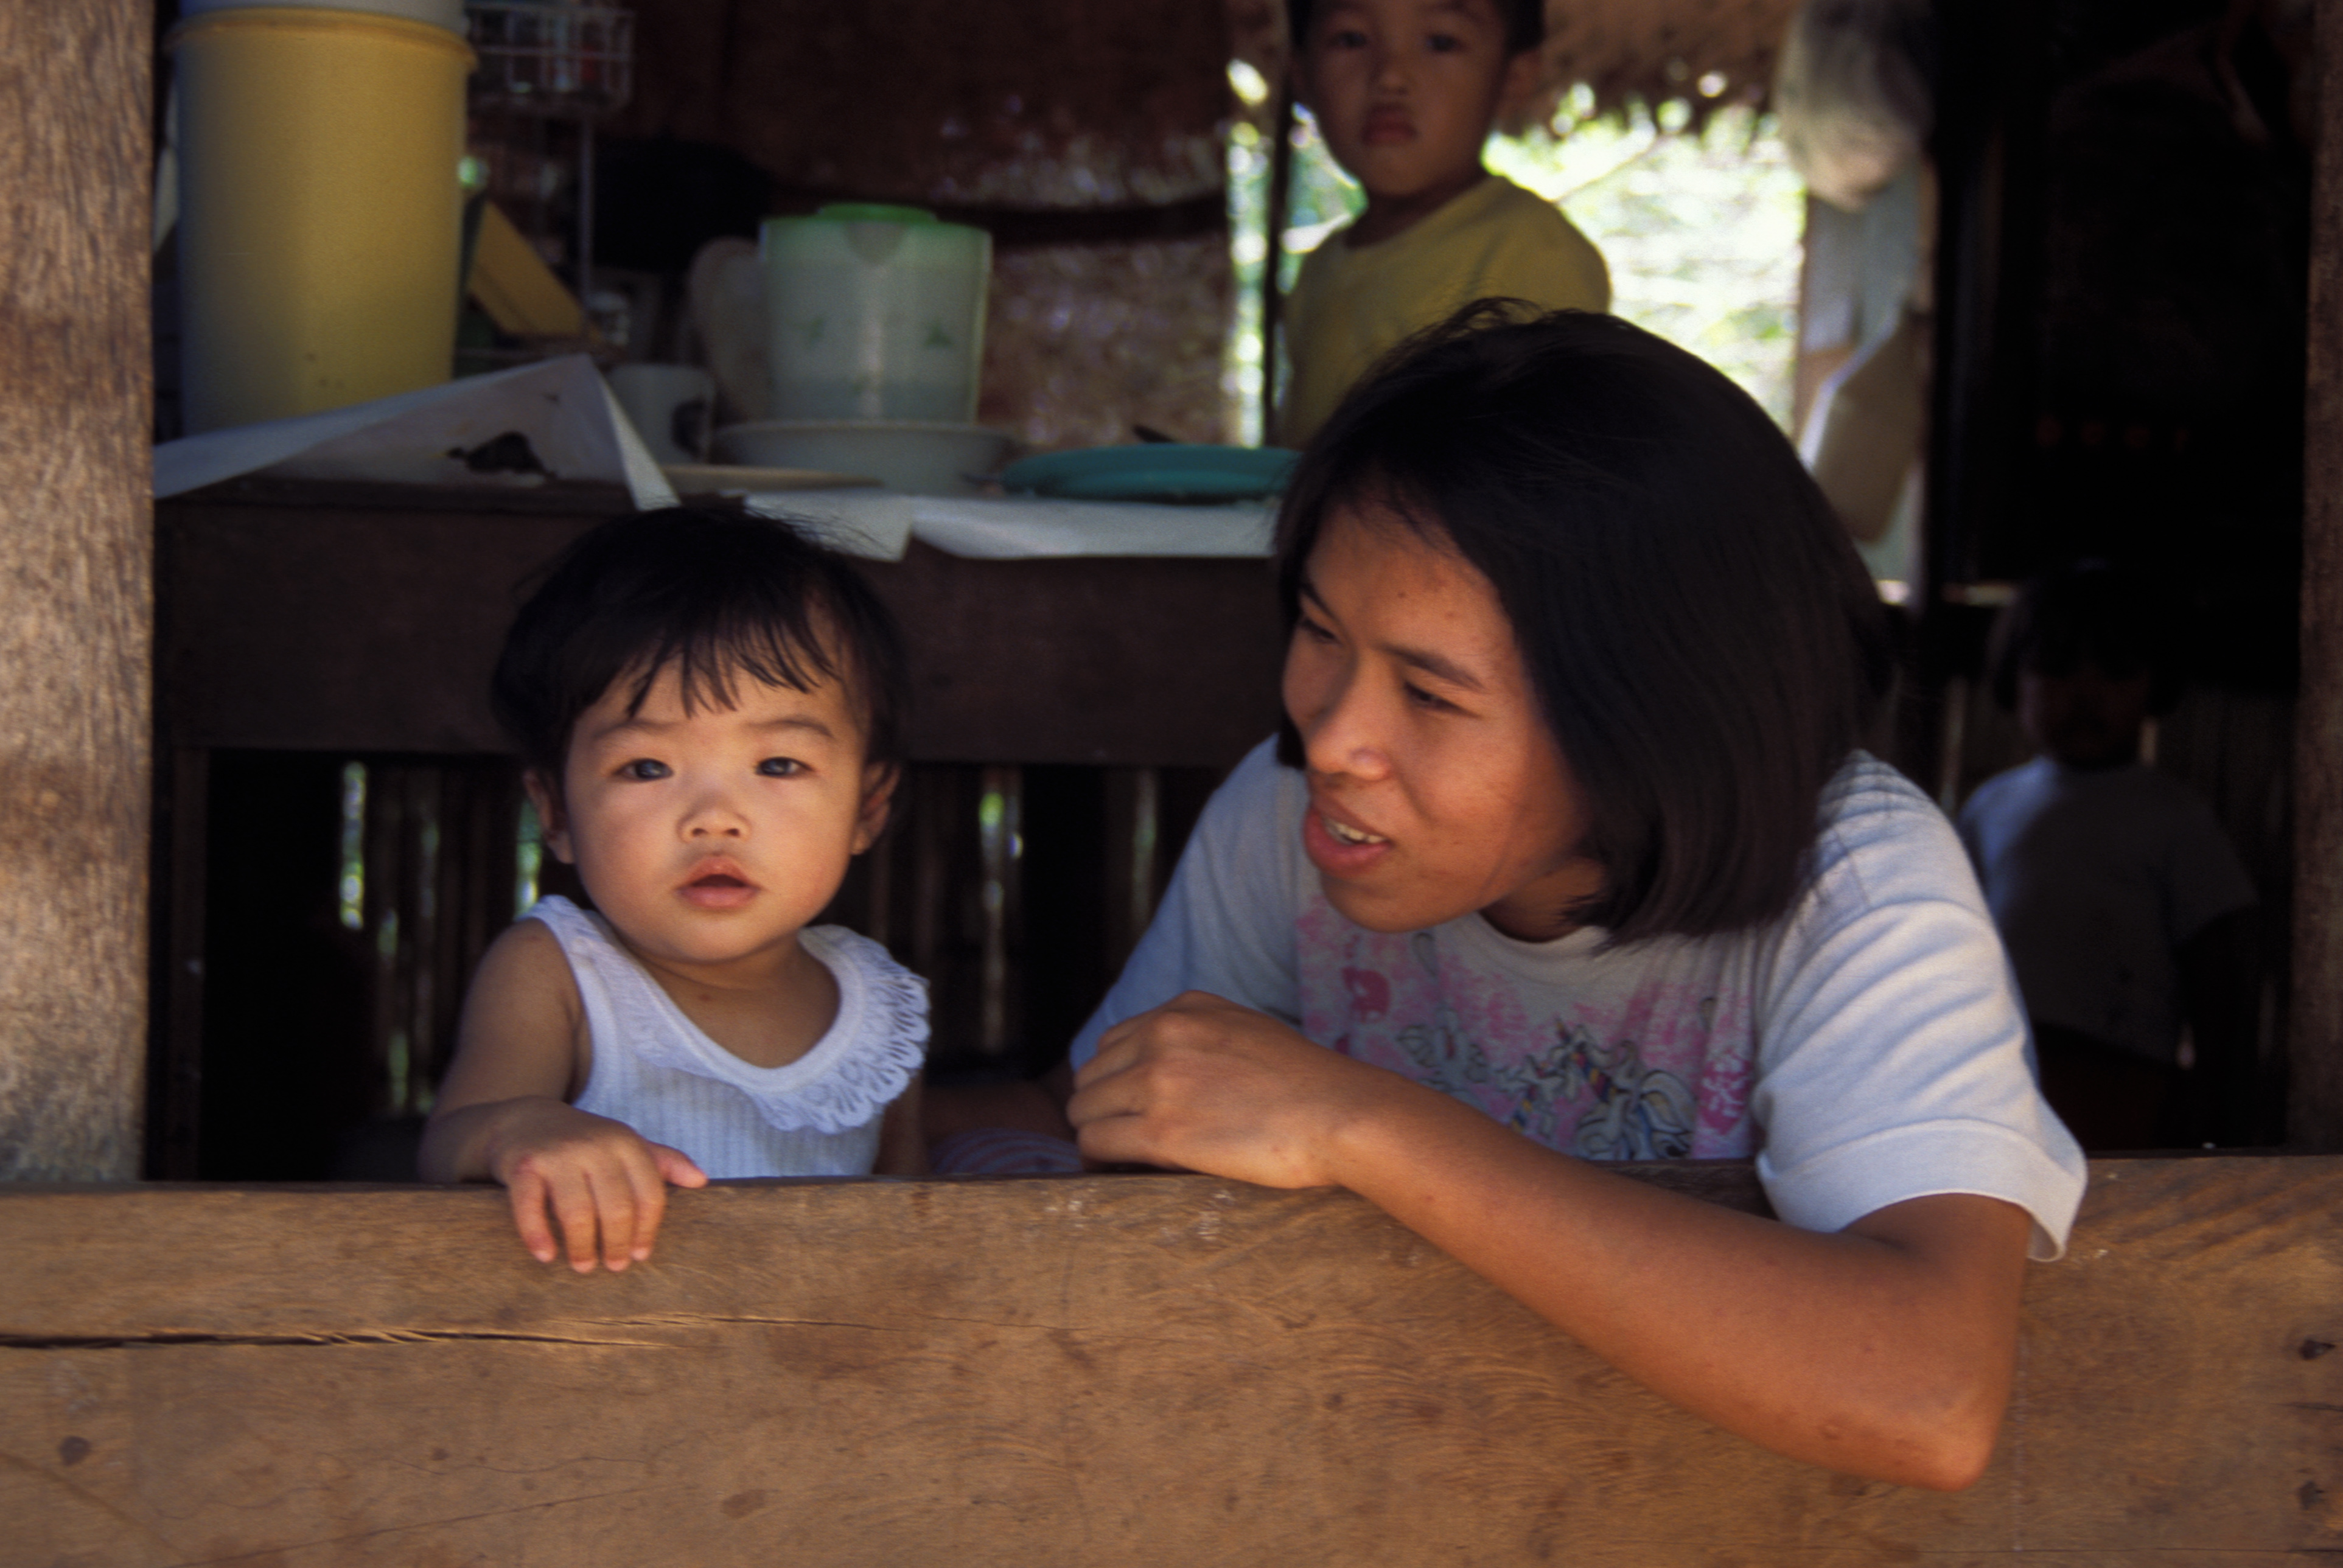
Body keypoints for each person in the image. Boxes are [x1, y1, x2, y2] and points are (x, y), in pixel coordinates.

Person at [1067, 304, 2085, 1490]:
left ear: (1640, 722)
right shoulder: (1296, 816)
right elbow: (1101, 1107)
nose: (1335, 732)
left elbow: (1927, 1390)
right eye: (1318, 629)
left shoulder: (1850, 880)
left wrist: (1360, 1124)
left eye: (1431, 695)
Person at [421, 508, 927, 1272]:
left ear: (867, 807)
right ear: (555, 812)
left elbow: (915, 1225)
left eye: (779, 765)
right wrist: (521, 1130)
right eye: (648, 769)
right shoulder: (560, 971)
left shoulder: (879, 1012)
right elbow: (443, 1148)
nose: (714, 820)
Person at [1958, 562, 2260, 1151]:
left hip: (2124, 1084)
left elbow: (2219, 973)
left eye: (2116, 670)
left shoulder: (2176, 819)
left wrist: (2212, 1102)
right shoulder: (1989, 809)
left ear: (2156, 684)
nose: (2085, 693)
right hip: (2001, 1079)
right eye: (2056, 668)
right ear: (2010, 679)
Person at [1273, 0, 1610, 447]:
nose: (1390, 77)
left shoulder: (1532, 251)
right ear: (1303, 77)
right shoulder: (1321, 266)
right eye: (1352, 40)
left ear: (1513, 78)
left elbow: (1538, 473)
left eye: (1440, 42)